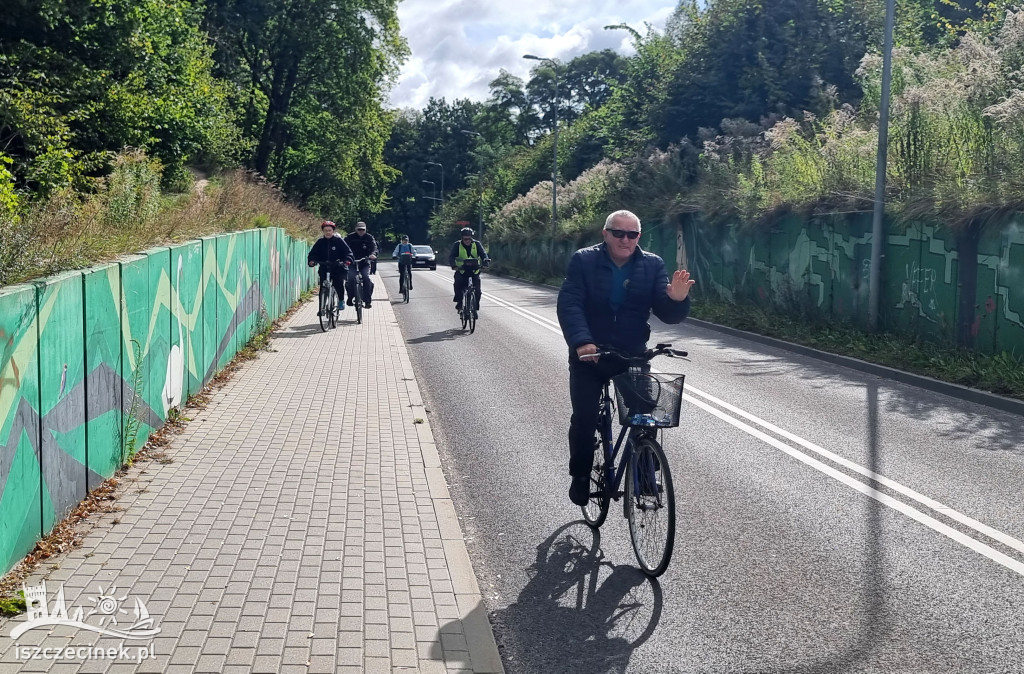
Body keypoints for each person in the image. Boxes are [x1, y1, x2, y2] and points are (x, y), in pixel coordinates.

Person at [556, 210, 695, 506]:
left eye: (632, 234)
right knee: (585, 418)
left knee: (645, 415)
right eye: (618, 233)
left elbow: (667, 313)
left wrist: (677, 299)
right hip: (590, 356)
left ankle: (645, 472)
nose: (625, 239)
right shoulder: (585, 260)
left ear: (639, 237)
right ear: (605, 234)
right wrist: (582, 343)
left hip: (631, 353)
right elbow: (570, 303)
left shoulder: (652, 264)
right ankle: (580, 475)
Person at [307, 221, 353, 314]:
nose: (328, 232)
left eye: (329, 230)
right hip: (324, 267)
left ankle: (340, 301)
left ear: (333, 231)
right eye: (325, 230)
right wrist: (312, 261)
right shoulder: (320, 242)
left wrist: (347, 260)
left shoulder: (339, 241)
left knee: (338, 283)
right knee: (323, 287)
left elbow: (348, 252)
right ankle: (322, 307)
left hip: (337, 267)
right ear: (323, 231)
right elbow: (313, 254)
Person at [448, 227, 489, 317]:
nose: (467, 241)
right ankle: (459, 302)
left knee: (477, 291)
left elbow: (483, 254)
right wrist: (454, 265)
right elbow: (451, 256)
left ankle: (475, 309)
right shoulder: (457, 245)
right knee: (458, 284)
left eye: (469, 239)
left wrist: (485, 263)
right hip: (462, 271)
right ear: (462, 238)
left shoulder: (477, 244)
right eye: (465, 239)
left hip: (474, 271)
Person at [344, 222, 378, 308]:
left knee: (365, 277)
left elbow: (374, 247)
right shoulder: (350, 237)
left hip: (364, 262)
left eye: (363, 229)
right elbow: (344, 247)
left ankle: (367, 301)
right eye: (359, 229)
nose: (361, 231)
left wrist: (373, 254)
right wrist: (345, 257)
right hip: (352, 262)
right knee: (351, 277)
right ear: (356, 229)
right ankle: (350, 297)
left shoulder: (369, 238)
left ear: (365, 230)